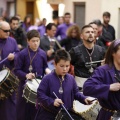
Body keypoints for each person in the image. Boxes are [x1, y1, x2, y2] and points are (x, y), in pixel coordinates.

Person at [36, 49, 92, 120]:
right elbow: (40, 94)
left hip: (65, 115)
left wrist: (84, 98)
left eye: (67, 66)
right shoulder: (47, 79)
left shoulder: (71, 78)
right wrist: (52, 101)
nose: (65, 69)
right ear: (55, 64)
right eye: (62, 66)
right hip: (48, 115)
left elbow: (76, 93)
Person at [14, 30, 51, 120]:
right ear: (28, 41)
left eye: (37, 41)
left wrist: (48, 71)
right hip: (24, 86)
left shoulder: (42, 53)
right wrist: (26, 75)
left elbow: (45, 67)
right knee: (23, 113)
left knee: (36, 112)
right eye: (33, 41)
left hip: (38, 86)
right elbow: (17, 70)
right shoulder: (22, 54)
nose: (36, 43)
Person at [83, 39, 120, 120]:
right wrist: (109, 87)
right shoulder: (103, 70)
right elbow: (87, 88)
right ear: (113, 53)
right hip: (108, 116)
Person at [69, 25, 105, 90]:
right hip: (80, 87)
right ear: (81, 36)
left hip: (97, 86)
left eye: (92, 32)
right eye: (87, 32)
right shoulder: (75, 51)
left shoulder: (101, 50)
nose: (91, 34)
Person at [0, 21, 19, 120]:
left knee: (9, 105)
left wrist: (14, 56)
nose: (8, 33)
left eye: (9, 30)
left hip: (9, 77)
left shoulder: (12, 41)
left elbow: (18, 53)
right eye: (5, 31)